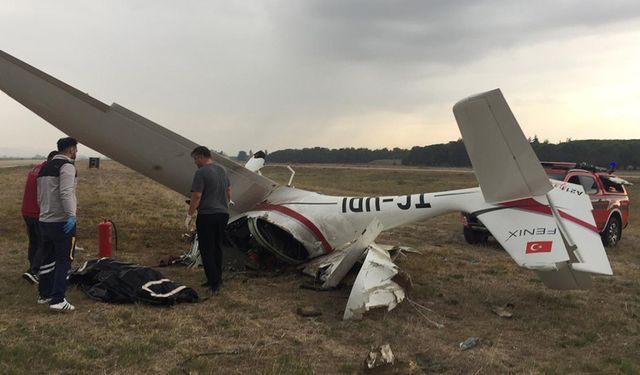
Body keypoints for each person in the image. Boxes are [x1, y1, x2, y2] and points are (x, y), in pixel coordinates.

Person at [37, 137, 79, 312]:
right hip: (61, 222)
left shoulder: (44, 167)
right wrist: (71, 215)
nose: (76, 152)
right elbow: (66, 192)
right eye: (75, 149)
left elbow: (40, 196)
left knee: (47, 258)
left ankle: (44, 294)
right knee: (64, 260)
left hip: (45, 219)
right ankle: (58, 299)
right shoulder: (67, 166)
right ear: (70, 150)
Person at [186, 146, 231, 293]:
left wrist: (189, 214)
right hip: (223, 214)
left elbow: (197, 196)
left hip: (207, 215)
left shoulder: (201, 172)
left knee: (207, 249)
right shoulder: (222, 170)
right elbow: (228, 191)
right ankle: (218, 279)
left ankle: (214, 284)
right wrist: (226, 204)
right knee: (218, 247)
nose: (194, 162)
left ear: (200, 156)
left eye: (195, 159)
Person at [21, 150, 58, 284]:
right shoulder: (47, 171)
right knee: (44, 242)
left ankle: (32, 267)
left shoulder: (36, 168)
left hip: (26, 211)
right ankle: (34, 271)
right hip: (38, 212)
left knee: (34, 241)